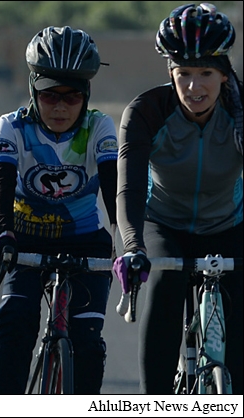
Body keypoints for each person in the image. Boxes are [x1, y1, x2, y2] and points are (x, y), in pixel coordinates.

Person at [114, 2, 242, 395]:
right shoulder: (146, 111)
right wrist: (134, 246)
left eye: (205, 73)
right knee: (164, 286)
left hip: (229, 224)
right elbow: (130, 189)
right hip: (165, 223)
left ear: (223, 74)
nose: (194, 87)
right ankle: (155, 402)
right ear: (170, 73)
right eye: (183, 73)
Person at [0, 26, 118, 394]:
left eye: (72, 96)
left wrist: (126, 239)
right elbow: (2, 182)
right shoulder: (12, 126)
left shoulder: (98, 126)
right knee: (14, 323)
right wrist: (2, 231)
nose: (60, 106)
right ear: (33, 90)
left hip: (85, 241)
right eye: (49, 95)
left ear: (86, 94)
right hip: (24, 238)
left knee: (87, 340)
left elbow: (113, 185)